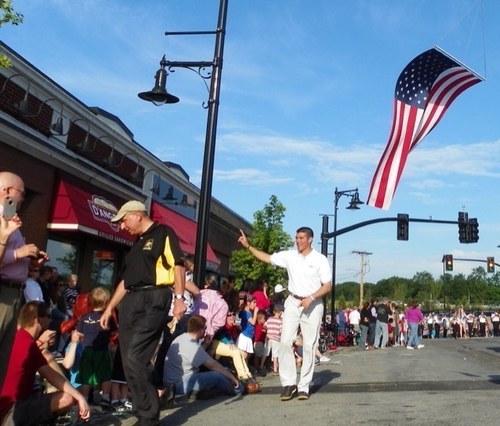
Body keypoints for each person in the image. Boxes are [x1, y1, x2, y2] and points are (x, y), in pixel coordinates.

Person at [99, 200, 186, 426]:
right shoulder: (136, 244)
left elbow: (178, 265)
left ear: (137, 215)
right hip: (131, 300)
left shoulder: (163, 233)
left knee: (135, 356)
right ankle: (145, 407)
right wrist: (109, 308)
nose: (122, 226)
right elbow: (125, 281)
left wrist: (179, 298)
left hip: (154, 297)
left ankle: (149, 414)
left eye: (124, 220)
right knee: (128, 360)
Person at [238, 226, 332, 401]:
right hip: (293, 301)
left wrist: (311, 297)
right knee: (284, 342)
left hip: (313, 303)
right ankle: (289, 384)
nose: (298, 241)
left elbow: (327, 285)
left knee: (309, 345)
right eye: (296, 238)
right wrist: (248, 246)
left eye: (302, 238)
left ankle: (304, 386)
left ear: (310, 239)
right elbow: (267, 258)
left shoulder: (320, 259)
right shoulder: (290, 256)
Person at [0, 301, 90, 425]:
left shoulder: (16, 338)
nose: (51, 321)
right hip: (13, 412)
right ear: (39, 320)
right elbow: (53, 376)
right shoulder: (29, 344)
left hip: (7, 407)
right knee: (66, 398)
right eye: (49, 317)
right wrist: (79, 397)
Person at [0, 171, 49, 388]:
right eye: (22, 192)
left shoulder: (10, 219)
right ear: (7, 192)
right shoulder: (2, 219)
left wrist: (31, 263)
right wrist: (20, 254)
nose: (23, 198)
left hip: (13, 293)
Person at [163, 315, 243, 399]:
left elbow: (195, 356)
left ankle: (205, 391)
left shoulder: (183, 338)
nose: (206, 330)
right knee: (217, 376)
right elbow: (213, 365)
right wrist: (232, 377)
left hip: (174, 382)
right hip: (179, 384)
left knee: (222, 372)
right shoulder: (192, 345)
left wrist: (205, 344)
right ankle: (238, 390)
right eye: (205, 327)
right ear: (200, 330)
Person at [77, 286, 117, 409]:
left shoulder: (84, 317)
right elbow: (114, 332)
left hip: (86, 351)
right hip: (102, 351)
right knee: (105, 375)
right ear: (106, 302)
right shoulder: (107, 317)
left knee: (86, 377)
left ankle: (84, 400)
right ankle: (105, 398)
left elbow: (80, 334)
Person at [264, 304, 283, 375]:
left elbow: (265, 326)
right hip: (276, 339)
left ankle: (261, 366)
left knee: (265, 352)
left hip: (268, 338)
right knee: (275, 354)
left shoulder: (269, 319)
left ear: (274, 311)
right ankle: (275, 370)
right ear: (280, 312)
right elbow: (281, 331)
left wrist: (269, 330)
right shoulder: (280, 321)